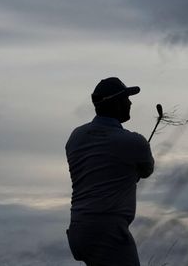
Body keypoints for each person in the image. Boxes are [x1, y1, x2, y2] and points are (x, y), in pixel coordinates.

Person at [66, 77, 154, 266]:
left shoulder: (76, 137)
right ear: (116, 103)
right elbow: (147, 170)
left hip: (78, 229)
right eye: (126, 98)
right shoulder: (134, 142)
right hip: (108, 232)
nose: (130, 103)